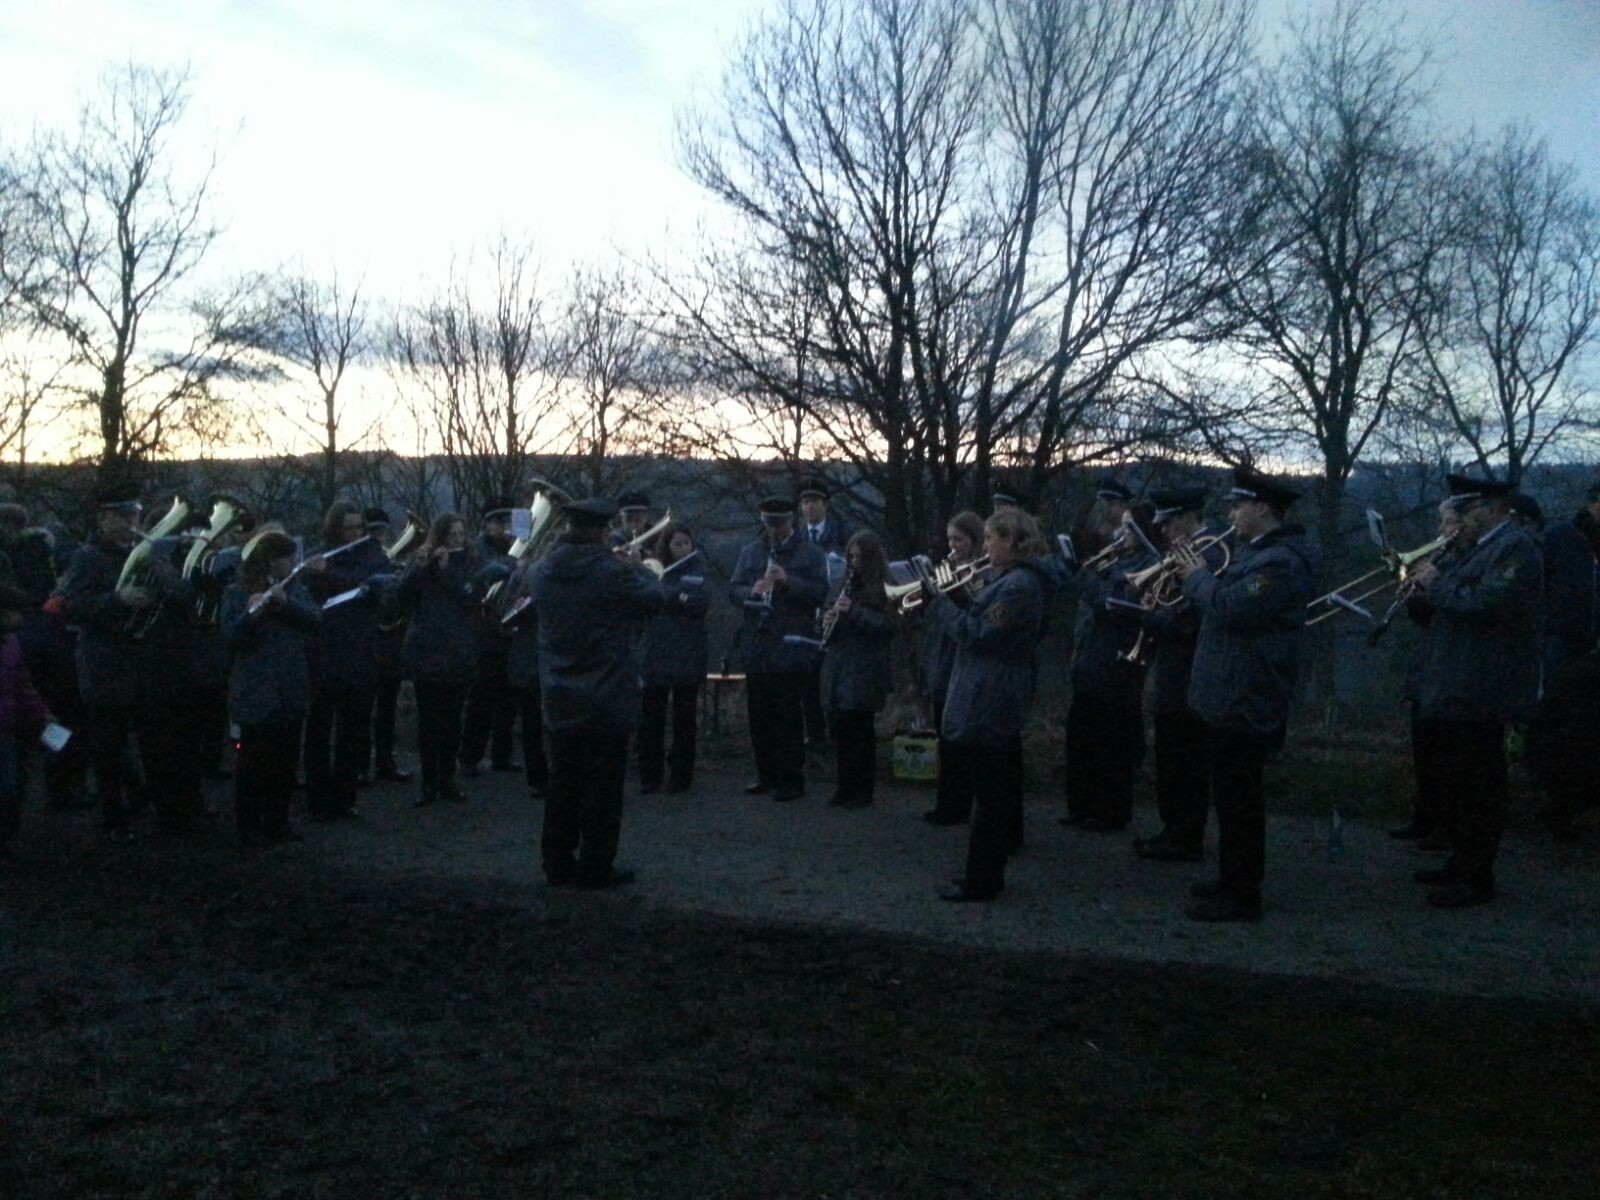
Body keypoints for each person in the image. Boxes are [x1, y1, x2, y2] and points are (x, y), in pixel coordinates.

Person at [1175, 466, 1320, 922]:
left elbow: (1232, 608)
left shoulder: (1278, 562)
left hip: (1248, 696)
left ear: (1262, 509)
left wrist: (1196, 578)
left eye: (1238, 505)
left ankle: (1241, 893)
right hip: (1229, 692)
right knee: (1228, 795)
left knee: (1240, 800)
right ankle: (1228, 879)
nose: (1230, 513)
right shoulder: (1251, 552)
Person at [1405, 474, 1542, 907]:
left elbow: (1486, 603)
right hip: (1455, 679)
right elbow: (1448, 604)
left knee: (1479, 784)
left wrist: (1436, 584)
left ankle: (1476, 875)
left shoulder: (1517, 548)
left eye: (1468, 510)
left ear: (1494, 508)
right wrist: (1419, 592)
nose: (1461, 520)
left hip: (1484, 684)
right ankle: (1461, 864)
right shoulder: (1475, 548)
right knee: (1456, 780)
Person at [530, 497, 663, 888]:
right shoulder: (613, 571)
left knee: (563, 782)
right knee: (604, 788)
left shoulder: (541, 570)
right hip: (606, 694)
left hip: (558, 692)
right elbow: (656, 598)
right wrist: (639, 568)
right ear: (600, 531)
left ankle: (556, 862)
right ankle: (595, 865)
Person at [58, 488, 202, 842]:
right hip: (105, 669)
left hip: (145, 669)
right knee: (109, 752)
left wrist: (162, 571)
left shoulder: (151, 553)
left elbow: (184, 598)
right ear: (103, 519)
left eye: (133, 517)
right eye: (120, 517)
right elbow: (70, 607)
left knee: (157, 748)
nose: (129, 525)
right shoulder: (87, 557)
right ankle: (115, 822)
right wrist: (116, 599)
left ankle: (168, 818)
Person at [927, 508, 1052, 901]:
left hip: (993, 695)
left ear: (1013, 541)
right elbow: (980, 613)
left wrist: (941, 603)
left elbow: (979, 633)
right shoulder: (1007, 581)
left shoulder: (1019, 587)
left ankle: (982, 879)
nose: (986, 547)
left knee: (991, 796)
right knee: (990, 792)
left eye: (991, 540)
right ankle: (984, 874)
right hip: (989, 691)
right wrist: (956, 593)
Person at [1134, 487, 1230, 863]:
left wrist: (1150, 616)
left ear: (1191, 518)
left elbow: (1193, 618)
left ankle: (1185, 836)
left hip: (1190, 670)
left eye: (1171, 522)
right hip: (1171, 668)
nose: (1165, 530)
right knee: (1169, 756)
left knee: (1186, 758)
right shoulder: (1182, 554)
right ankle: (1171, 829)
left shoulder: (1208, 552)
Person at [221, 528, 320, 846]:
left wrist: (285, 603)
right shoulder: (236, 591)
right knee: (252, 762)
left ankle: (278, 822)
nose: (293, 563)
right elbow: (230, 637)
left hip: (290, 688)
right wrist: (255, 612)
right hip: (255, 691)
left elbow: (316, 619)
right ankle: (248, 824)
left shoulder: (295, 589)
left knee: (285, 762)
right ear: (271, 561)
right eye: (288, 557)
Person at [1061, 505, 1157, 833]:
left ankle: (1111, 811)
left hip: (1116, 664)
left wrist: (1082, 574)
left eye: (1128, 529)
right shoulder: (1119, 559)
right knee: (1082, 737)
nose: (1120, 535)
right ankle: (1082, 805)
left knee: (1111, 742)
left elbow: (1111, 606)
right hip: (1091, 659)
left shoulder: (1149, 564)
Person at [727, 496, 830, 801]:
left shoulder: (810, 553)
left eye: (780, 524)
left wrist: (788, 582)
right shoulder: (751, 551)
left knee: (787, 716)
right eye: (769, 524)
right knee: (759, 716)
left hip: (789, 645)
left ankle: (791, 779)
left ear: (790, 522)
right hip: (758, 645)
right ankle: (765, 774)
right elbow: (733, 590)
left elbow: (820, 592)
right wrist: (752, 591)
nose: (774, 530)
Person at [301, 500, 391, 821]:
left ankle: (344, 797)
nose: (354, 533)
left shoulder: (372, 554)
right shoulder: (318, 554)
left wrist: (331, 574)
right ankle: (317, 797)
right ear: (335, 528)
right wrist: (317, 574)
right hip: (324, 655)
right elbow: (308, 598)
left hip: (360, 654)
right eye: (348, 528)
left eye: (358, 527)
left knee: (353, 732)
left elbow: (372, 583)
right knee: (319, 731)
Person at [1388, 501, 1465, 846]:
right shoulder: (1444, 558)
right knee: (1425, 749)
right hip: (1427, 666)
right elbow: (1425, 616)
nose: (1443, 531)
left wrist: (1429, 585)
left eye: (1449, 522)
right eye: (1443, 522)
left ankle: (1444, 826)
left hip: (1446, 669)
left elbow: (1455, 609)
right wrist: (1412, 593)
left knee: (1444, 754)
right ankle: (1425, 818)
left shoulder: (1456, 562)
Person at [1528, 478, 1600, 841]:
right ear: (1593, 503)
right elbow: (1534, 585)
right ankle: (1555, 802)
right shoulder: (1561, 538)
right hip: (1563, 644)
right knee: (1559, 722)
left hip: (1595, 649)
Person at [395, 513, 482, 807]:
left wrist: (447, 572)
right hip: (427, 652)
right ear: (439, 538)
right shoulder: (422, 562)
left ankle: (447, 779)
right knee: (429, 723)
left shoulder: (469, 562)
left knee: (452, 722)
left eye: (460, 535)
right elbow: (401, 595)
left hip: (458, 653)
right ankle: (428, 782)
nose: (457, 540)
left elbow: (471, 598)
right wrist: (419, 568)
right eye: (451, 536)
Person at [820, 530, 896, 808]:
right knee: (842, 728)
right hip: (841, 663)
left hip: (866, 666)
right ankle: (844, 786)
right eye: (850, 556)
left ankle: (862, 790)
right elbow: (828, 609)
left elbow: (888, 626)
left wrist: (854, 612)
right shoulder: (844, 583)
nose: (853, 562)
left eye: (859, 557)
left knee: (860, 730)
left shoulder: (886, 586)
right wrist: (830, 617)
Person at [919, 511, 986, 825]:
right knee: (944, 736)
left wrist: (948, 595)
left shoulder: (979, 573)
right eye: (949, 539)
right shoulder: (947, 569)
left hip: (959, 659)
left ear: (974, 542)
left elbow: (975, 612)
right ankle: (946, 802)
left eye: (958, 539)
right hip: (939, 655)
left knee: (957, 739)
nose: (952, 546)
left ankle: (957, 804)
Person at [636, 522, 709, 795]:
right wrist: (675, 594)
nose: (682, 549)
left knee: (684, 719)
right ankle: (649, 775)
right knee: (651, 718)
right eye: (677, 544)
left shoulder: (698, 571)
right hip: (655, 652)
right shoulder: (653, 571)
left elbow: (699, 603)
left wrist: (671, 595)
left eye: (686, 543)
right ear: (666, 546)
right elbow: (644, 600)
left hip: (687, 654)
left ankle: (681, 776)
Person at [460, 497, 521, 778]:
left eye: (508, 522)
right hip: (485, 632)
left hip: (510, 631)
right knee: (482, 699)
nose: (505, 528)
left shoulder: (518, 548)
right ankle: (470, 757)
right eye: (498, 522)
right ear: (486, 525)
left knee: (508, 699)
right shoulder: (476, 551)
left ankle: (501, 756)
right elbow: (476, 585)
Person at [797, 477, 852, 747]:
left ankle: (836, 734)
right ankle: (815, 735)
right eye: (805, 502)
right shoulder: (796, 537)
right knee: (807, 678)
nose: (809, 508)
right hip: (806, 613)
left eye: (814, 501)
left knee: (831, 677)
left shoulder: (842, 534)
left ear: (825, 505)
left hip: (833, 610)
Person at [0, 581, 52, 857]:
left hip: (7, 728)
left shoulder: (11, 644)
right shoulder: (11, 643)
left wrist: (41, 713)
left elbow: (22, 683)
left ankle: (6, 838)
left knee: (11, 785)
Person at [364, 507, 413, 783]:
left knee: (386, 708)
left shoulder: (387, 562)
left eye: (381, 532)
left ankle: (384, 761)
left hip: (389, 645)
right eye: (373, 532)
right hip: (367, 644)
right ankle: (363, 763)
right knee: (364, 710)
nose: (378, 538)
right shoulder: (361, 563)